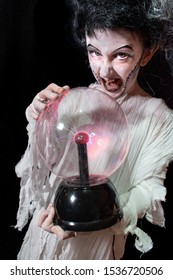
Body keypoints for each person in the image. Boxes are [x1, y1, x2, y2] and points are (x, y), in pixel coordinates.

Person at [15, 0, 173, 259]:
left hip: (96, 249)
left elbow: (148, 193)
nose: (103, 69)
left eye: (121, 54)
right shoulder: (75, 101)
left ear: (147, 53)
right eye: (94, 52)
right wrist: (37, 113)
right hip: (42, 241)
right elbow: (44, 158)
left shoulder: (159, 118)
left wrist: (89, 220)